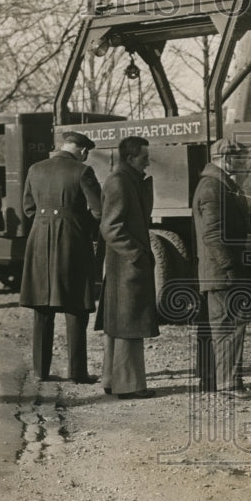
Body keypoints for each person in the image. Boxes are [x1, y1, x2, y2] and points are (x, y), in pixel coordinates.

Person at [19, 131, 101, 384]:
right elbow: (98, 210)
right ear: (83, 151)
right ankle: (77, 372)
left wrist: (47, 224)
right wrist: (78, 224)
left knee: (42, 306)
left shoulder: (35, 169)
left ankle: (40, 371)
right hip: (72, 243)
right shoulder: (83, 171)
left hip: (39, 241)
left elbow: (28, 207)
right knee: (75, 306)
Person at [192, 138, 251, 400]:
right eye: (241, 160)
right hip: (221, 272)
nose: (244, 165)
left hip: (218, 270)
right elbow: (212, 234)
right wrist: (230, 267)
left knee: (219, 327)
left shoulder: (218, 186)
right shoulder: (213, 188)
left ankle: (215, 381)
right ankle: (229, 385)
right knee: (229, 328)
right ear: (227, 160)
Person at [95, 135, 159, 399]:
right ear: (131, 158)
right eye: (144, 158)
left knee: (119, 324)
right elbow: (110, 227)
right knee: (129, 324)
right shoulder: (120, 182)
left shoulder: (125, 180)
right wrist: (137, 255)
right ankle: (130, 386)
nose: (147, 163)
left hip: (123, 266)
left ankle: (113, 380)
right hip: (127, 267)